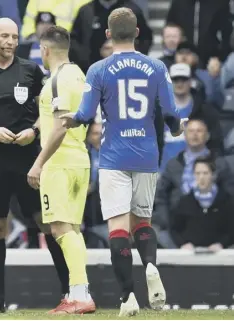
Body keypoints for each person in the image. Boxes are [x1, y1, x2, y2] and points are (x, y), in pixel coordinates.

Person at [60, 7, 185, 316]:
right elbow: (170, 113)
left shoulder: (99, 69)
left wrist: (71, 120)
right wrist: (176, 127)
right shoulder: (156, 67)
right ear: (138, 33)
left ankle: (128, 296)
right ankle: (151, 265)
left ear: (107, 34)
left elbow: (86, 115)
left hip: (114, 155)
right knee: (142, 222)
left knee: (118, 229)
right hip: (146, 154)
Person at [0, 17, 70, 313]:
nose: (10, 42)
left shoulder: (31, 71)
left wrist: (34, 130)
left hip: (28, 158)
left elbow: (46, 110)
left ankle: (70, 293)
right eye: (4, 36)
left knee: (47, 223)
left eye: (15, 37)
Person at [26, 26, 95, 314]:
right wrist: (33, 129)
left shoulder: (56, 81)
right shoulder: (79, 74)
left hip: (60, 162)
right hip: (80, 158)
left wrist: (39, 163)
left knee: (59, 228)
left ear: (45, 50)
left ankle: (80, 295)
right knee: (72, 230)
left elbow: (60, 126)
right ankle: (78, 292)